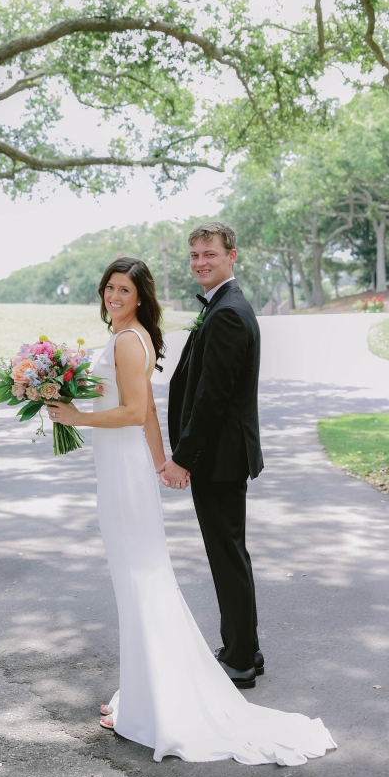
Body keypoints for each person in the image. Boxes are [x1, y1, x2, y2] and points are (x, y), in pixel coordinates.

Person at [47, 256, 336, 765]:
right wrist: (161, 461)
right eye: (109, 288)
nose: (114, 297)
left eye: (124, 291)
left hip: (122, 475)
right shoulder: (127, 338)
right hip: (124, 468)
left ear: (140, 298)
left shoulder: (128, 340)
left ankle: (153, 704)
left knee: (139, 578)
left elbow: (134, 412)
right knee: (137, 578)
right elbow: (149, 414)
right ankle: (142, 695)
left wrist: (75, 416)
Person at [159, 221, 262, 688]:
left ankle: (239, 659)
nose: (201, 262)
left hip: (218, 458)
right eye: (195, 255)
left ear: (231, 256)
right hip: (222, 456)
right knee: (230, 553)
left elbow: (211, 398)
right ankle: (245, 648)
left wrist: (183, 457)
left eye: (210, 254)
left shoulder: (226, 313)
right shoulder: (223, 305)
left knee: (226, 556)